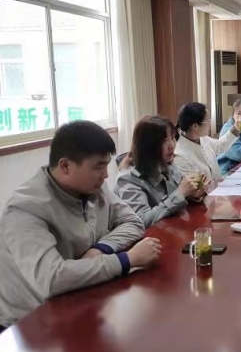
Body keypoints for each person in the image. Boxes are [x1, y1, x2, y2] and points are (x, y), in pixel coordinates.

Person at [0, 121, 160, 329]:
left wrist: (100, 249)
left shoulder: (94, 188)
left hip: (80, 298)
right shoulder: (26, 209)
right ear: (65, 166)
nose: (106, 175)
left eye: (106, 165)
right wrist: (126, 259)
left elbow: (133, 222)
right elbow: (52, 279)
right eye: (98, 166)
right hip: (30, 324)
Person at [116, 116, 206, 228]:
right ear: (148, 146)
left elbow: (179, 200)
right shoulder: (128, 179)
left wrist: (193, 194)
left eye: (172, 138)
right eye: (164, 141)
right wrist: (180, 193)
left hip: (175, 229)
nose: (172, 145)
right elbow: (141, 221)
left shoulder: (168, 164)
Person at [173, 102, 241, 182]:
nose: (210, 124)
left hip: (219, 186)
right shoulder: (180, 154)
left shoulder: (202, 138)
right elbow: (193, 186)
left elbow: (220, 146)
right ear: (195, 126)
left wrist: (235, 129)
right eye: (208, 121)